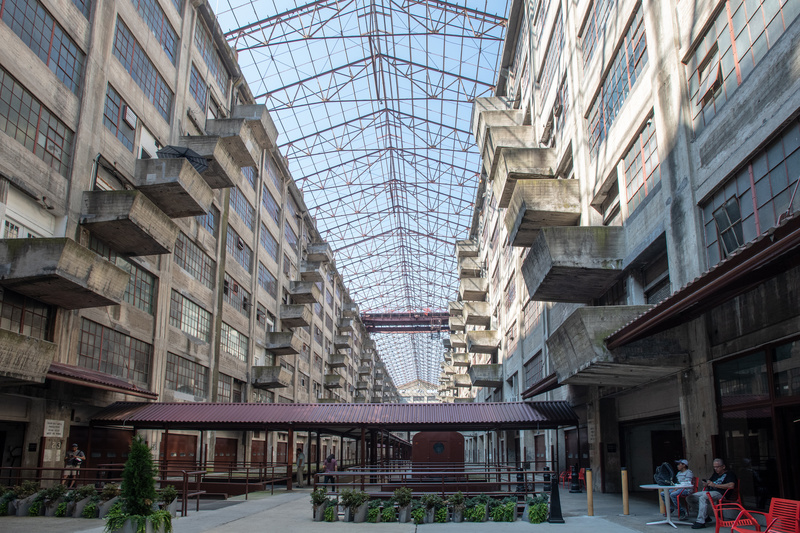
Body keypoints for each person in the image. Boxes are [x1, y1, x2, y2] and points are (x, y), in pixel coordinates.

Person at [687, 458, 738, 529]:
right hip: (710, 491)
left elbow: (731, 485)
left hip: (721, 493)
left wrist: (715, 485)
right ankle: (705, 516)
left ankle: (700, 521)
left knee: (703, 497)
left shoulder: (730, 474)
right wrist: (706, 483)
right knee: (690, 497)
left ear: (723, 466)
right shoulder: (715, 474)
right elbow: (710, 481)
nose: (715, 469)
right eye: (714, 467)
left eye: (717, 467)